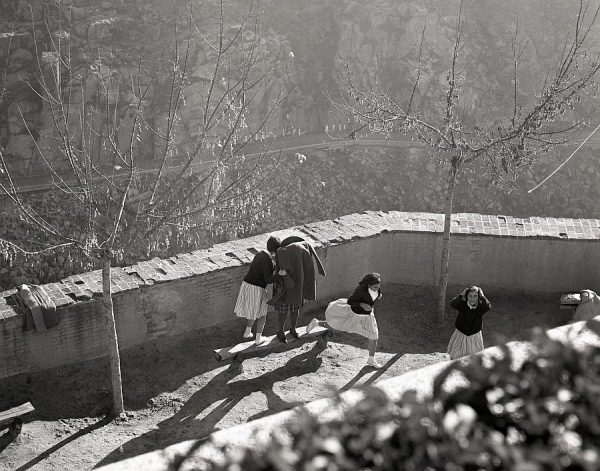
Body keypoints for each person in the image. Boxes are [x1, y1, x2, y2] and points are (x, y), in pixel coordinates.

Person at [306, 273, 383, 368]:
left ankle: (371, 359)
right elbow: (351, 302)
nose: (377, 289)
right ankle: (318, 323)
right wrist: (362, 305)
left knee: (374, 335)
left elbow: (377, 294)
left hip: (367, 316)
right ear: (368, 285)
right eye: (375, 287)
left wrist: (377, 295)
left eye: (378, 287)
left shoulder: (376, 290)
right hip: (354, 314)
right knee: (336, 326)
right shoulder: (360, 292)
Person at [271, 236, 326, 343]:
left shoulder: (283, 251)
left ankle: (288, 330)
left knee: (288, 310)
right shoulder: (303, 247)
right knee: (292, 309)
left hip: (290, 286)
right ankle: (285, 331)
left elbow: (280, 270)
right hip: (291, 285)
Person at [234, 235, 280, 345]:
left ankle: (247, 332)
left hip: (247, 284)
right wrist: (278, 274)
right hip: (257, 287)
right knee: (262, 313)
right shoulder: (268, 260)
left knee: (253, 311)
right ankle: (258, 339)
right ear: (276, 249)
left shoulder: (260, 254)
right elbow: (268, 279)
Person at [447, 285, 491, 360]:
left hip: (474, 335)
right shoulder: (462, 304)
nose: (472, 298)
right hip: (461, 334)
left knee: (473, 359)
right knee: (456, 357)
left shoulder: (480, 307)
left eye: (475, 296)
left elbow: (488, 307)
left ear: (478, 297)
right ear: (467, 296)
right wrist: (462, 294)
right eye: (470, 296)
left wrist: (482, 296)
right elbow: (453, 303)